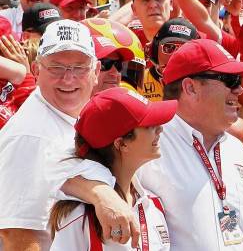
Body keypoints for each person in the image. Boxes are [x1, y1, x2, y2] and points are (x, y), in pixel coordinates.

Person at [61, 39, 243, 250]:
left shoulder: (237, 149)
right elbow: (63, 173)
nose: (239, 90)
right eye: (229, 81)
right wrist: (100, 194)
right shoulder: (150, 143)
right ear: (190, 88)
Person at [0, 20, 99, 250]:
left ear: (96, 71)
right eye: (56, 67)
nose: (68, 78)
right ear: (36, 70)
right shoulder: (30, 138)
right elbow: (18, 237)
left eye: (79, 67)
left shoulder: (63, 118)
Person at [49, 88, 176, 250]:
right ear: (121, 144)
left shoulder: (154, 204)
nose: (160, 129)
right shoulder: (80, 216)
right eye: (149, 125)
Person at [140, 18, 199, 102]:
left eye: (184, 49)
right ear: (155, 50)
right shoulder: (139, 81)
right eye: (169, 47)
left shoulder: (201, 86)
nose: (175, 55)